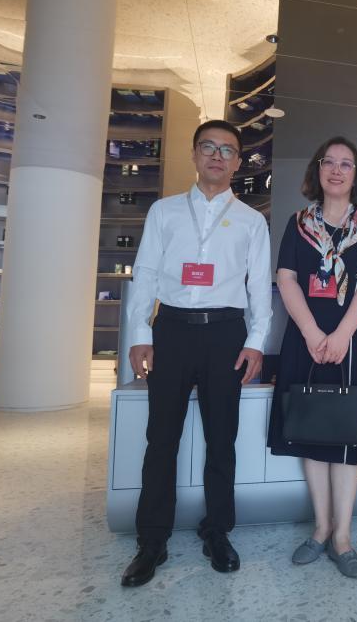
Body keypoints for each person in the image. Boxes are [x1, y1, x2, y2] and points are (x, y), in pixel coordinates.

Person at [121, 119, 272, 587]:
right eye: (209, 147)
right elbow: (145, 274)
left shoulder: (251, 221)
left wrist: (255, 342)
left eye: (228, 150)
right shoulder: (164, 212)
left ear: (238, 162)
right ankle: (152, 540)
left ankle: (217, 531)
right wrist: (139, 333)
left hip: (226, 334)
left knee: (221, 438)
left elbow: (259, 288)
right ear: (194, 154)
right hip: (171, 331)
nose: (217, 156)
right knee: (161, 438)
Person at [267, 136, 357, 579]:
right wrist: (313, 333)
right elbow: (286, 278)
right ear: (317, 170)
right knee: (312, 429)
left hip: (353, 340)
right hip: (307, 337)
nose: (336, 170)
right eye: (329, 162)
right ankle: (320, 529)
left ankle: (343, 538)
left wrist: (340, 335)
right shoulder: (298, 223)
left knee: (348, 435)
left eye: (346, 164)